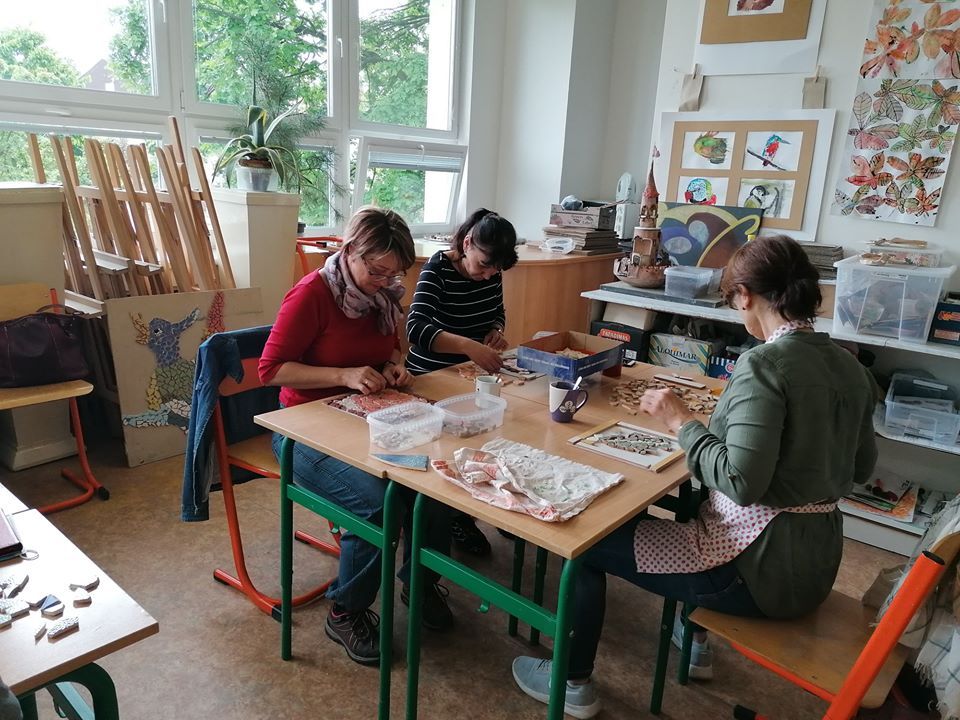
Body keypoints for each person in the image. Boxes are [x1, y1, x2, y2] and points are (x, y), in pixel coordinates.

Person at [512, 235, 879, 719]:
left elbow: (740, 482)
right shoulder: (850, 366)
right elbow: (861, 469)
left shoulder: (764, 364)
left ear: (745, 295)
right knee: (683, 510)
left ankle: (572, 683)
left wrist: (681, 421)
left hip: (754, 572)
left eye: (734, 301)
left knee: (586, 544)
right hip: (816, 563)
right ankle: (694, 640)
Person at [259, 206, 454, 667]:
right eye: (376, 270)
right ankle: (345, 610)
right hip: (301, 430)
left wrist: (394, 367)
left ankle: (420, 582)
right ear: (349, 251)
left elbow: (390, 349)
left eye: (393, 274)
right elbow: (271, 370)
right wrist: (343, 375)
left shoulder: (381, 297)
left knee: (438, 478)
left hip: (363, 419)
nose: (383, 281)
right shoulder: (312, 295)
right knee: (377, 501)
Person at [405, 208, 519, 556]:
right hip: (431, 377)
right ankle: (455, 516)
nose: (487, 275)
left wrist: (496, 330)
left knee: (496, 437)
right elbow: (416, 329)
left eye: (495, 270)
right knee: (450, 451)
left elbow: (496, 311)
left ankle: (492, 500)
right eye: (483, 266)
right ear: (467, 243)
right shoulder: (437, 270)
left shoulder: (491, 270)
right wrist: (469, 346)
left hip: (469, 376)